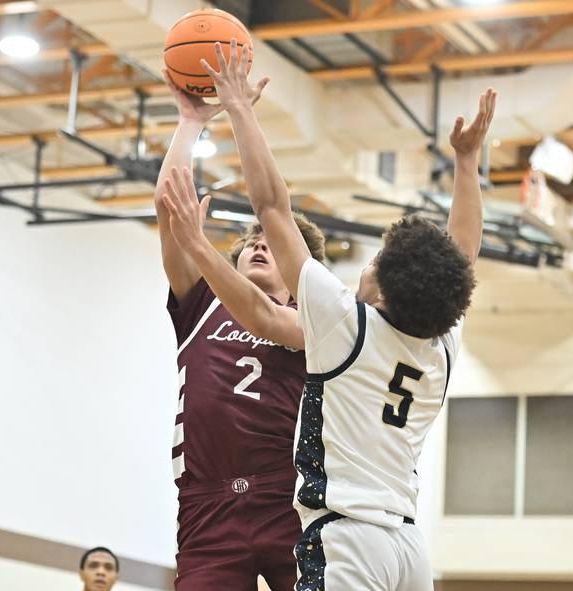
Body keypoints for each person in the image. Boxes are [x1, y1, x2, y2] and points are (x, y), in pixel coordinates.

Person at [191, 38, 496, 590]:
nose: (367, 263)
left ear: (383, 289)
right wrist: (467, 163)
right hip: (407, 547)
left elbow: (272, 210)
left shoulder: (347, 327)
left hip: (349, 537)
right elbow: (463, 256)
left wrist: (238, 109)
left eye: (376, 260)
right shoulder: (440, 345)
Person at [154, 68, 326, 589]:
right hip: (207, 504)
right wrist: (190, 123)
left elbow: (275, 210)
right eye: (250, 241)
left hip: (288, 498)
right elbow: (170, 208)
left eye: (270, 244)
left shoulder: (316, 317)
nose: (257, 244)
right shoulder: (202, 302)